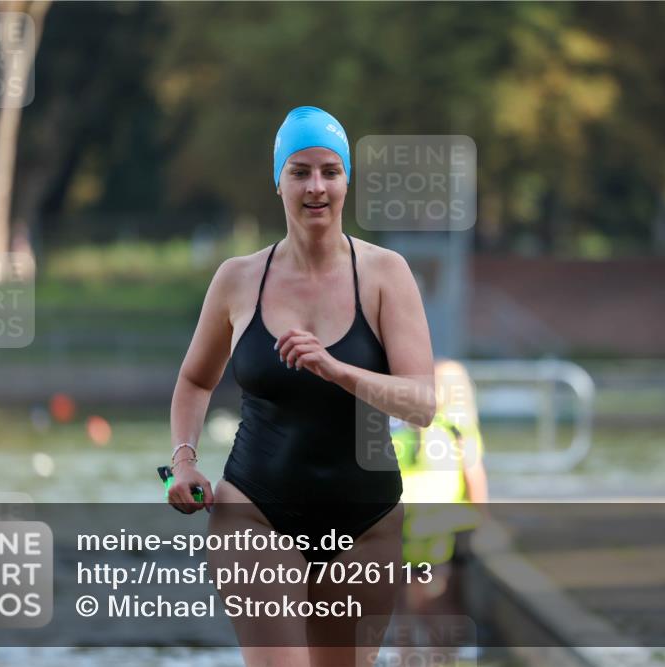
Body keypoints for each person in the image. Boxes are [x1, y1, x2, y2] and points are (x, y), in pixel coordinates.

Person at [168, 106, 435, 666]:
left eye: (330, 172)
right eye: (300, 172)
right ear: (278, 181)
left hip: (365, 520)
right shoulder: (238, 279)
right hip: (256, 509)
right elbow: (194, 380)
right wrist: (183, 462)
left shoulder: (386, 274)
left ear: (346, 182)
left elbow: (422, 403)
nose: (316, 187)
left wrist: (339, 370)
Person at [390, 359, 489, 658]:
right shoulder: (455, 426)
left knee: (406, 600)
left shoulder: (405, 424)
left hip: (408, 523)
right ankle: (441, 656)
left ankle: (409, 656)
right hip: (439, 525)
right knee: (434, 597)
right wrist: (482, 517)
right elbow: (473, 474)